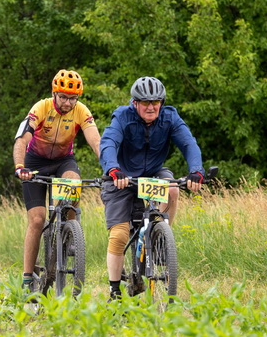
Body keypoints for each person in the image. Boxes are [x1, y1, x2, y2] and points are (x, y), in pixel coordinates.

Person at [99, 76, 204, 301]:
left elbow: (188, 143)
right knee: (119, 235)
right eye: (145, 102)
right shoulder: (123, 116)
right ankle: (114, 291)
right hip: (121, 177)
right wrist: (113, 169)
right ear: (134, 103)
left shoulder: (169, 117)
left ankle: (160, 237)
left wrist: (196, 171)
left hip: (153, 173)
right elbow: (109, 143)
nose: (151, 107)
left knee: (173, 188)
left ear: (161, 102)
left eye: (155, 102)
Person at [13, 69, 101, 290]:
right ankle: (27, 276)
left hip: (63, 161)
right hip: (35, 162)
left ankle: (70, 232)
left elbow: (96, 141)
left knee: (74, 181)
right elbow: (22, 139)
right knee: (37, 219)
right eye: (63, 97)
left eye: (73, 98)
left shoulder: (81, 111)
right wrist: (20, 166)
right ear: (54, 94)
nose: (68, 103)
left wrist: (110, 167)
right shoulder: (41, 108)